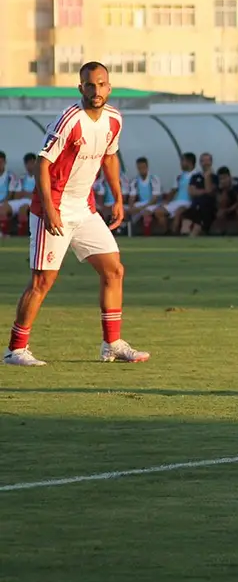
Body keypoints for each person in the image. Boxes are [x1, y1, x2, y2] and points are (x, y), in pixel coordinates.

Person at [4, 62, 149, 366]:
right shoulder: (70, 120)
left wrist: (118, 198)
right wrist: (50, 210)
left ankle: (111, 344)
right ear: (80, 87)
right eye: (90, 85)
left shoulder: (114, 120)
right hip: (52, 208)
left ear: (109, 87)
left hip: (84, 208)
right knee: (42, 281)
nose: (96, 91)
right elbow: (44, 164)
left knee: (114, 269)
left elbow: (110, 157)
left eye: (101, 84)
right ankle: (16, 350)